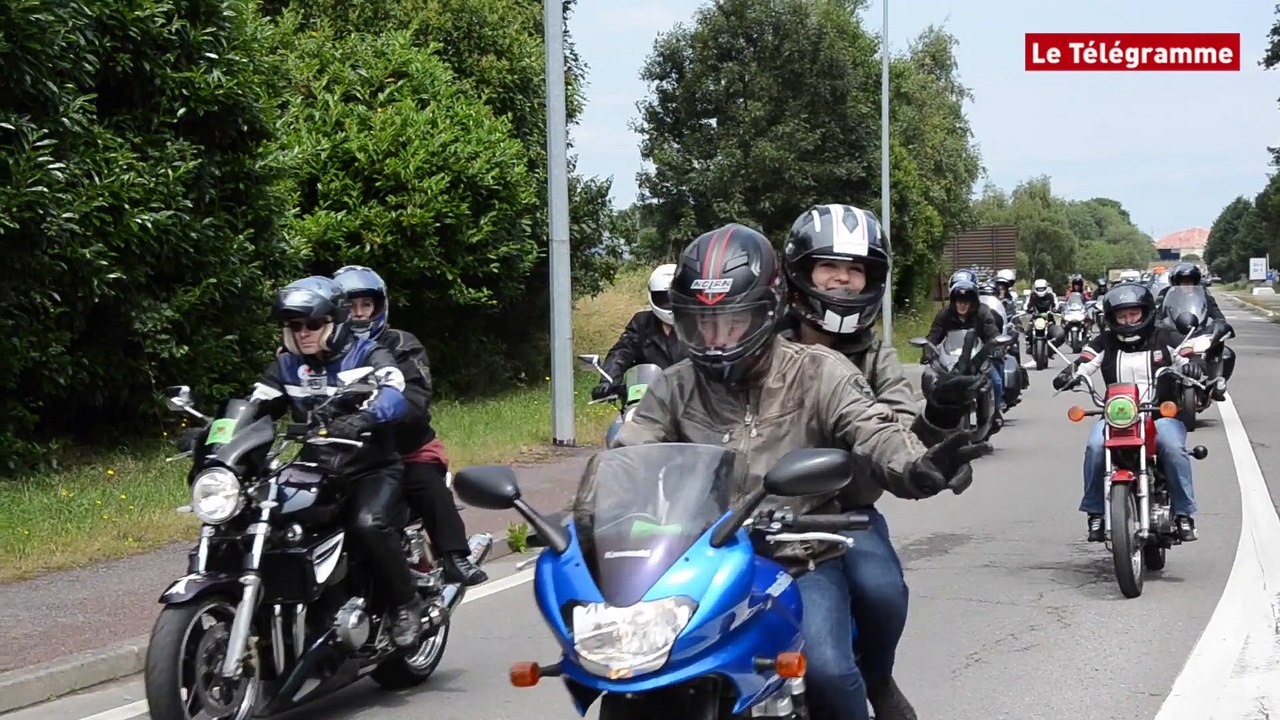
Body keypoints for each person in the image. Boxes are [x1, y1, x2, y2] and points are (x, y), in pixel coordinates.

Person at [614, 223, 991, 720]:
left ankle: (876, 684)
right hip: (698, 564)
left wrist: (917, 465)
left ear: (766, 312)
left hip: (798, 556)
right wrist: (590, 515)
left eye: (734, 321)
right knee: (634, 674)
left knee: (829, 671)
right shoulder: (675, 385)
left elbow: (874, 428)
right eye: (703, 323)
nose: (718, 338)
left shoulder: (818, 370)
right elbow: (631, 453)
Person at [778, 204, 984, 720]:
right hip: (757, 513)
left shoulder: (875, 356)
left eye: (855, 269)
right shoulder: (765, 348)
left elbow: (900, 434)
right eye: (829, 266)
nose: (843, 279)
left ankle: (878, 678)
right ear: (801, 273)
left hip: (846, 510)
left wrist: (938, 417)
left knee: (882, 590)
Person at [247, 276, 425, 647]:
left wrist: (364, 417)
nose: (304, 333)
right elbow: (255, 407)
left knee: (367, 525)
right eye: (296, 326)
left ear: (334, 323)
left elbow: (394, 391)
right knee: (266, 527)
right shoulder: (286, 366)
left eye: (313, 324)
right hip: (314, 471)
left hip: (370, 468)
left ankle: (406, 603)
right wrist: (216, 433)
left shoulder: (367, 354)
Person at [332, 265, 488, 586]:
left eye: (366, 305)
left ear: (379, 307)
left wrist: (373, 417)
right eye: (350, 306)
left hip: (404, 449)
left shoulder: (401, 344)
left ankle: (454, 556)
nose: (359, 314)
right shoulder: (324, 353)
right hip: (345, 455)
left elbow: (415, 400)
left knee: (422, 480)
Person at [1052, 282, 1201, 543]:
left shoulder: (1165, 337)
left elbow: (1186, 355)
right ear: (1112, 318)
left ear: (1146, 312)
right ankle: (1096, 512)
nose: (1128, 320)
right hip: (1117, 419)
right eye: (1122, 315)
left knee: (1172, 447)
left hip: (1159, 415)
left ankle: (1183, 514)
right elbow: (1085, 362)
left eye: (1133, 313)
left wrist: (1193, 366)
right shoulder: (1104, 342)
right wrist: (1069, 374)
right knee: (1095, 446)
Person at [592, 264, 687, 400]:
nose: (669, 304)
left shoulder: (698, 326)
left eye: (676, 299)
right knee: (625, 416)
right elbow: (622, 351)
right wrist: (608, 380)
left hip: (688, 399)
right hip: (647, 399)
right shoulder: (641, 322)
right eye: (662, 299)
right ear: (652, 296)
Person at [924, 278, 1005, 428]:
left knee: (996, 380)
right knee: (931, 378)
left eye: (966, 300)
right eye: (959, 300)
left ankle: (996, 411)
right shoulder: (945, 314)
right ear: (954, 301)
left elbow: (992, 332)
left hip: (978, 358)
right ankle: (936, 416)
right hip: (952, 360)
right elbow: (933, 336)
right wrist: (927, 350)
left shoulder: (983, 312)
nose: (962, 304)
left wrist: (996, 346)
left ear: (973, 302)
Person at [1155, 263, 1234, 400]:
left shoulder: (1204, 294)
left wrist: (1219, 324)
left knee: (1227, 354)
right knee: (1155, 354)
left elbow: (1216, 314)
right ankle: (1157, 388)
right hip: (1174, 334)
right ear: (1176, 282)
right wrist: (1158, 324)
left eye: (1190, 281)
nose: (1187, 284)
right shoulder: (1165, 294)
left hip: (1198, 333)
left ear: (1196, 281)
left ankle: (1216, 385)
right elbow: (1157, 314)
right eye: (1183, 281)